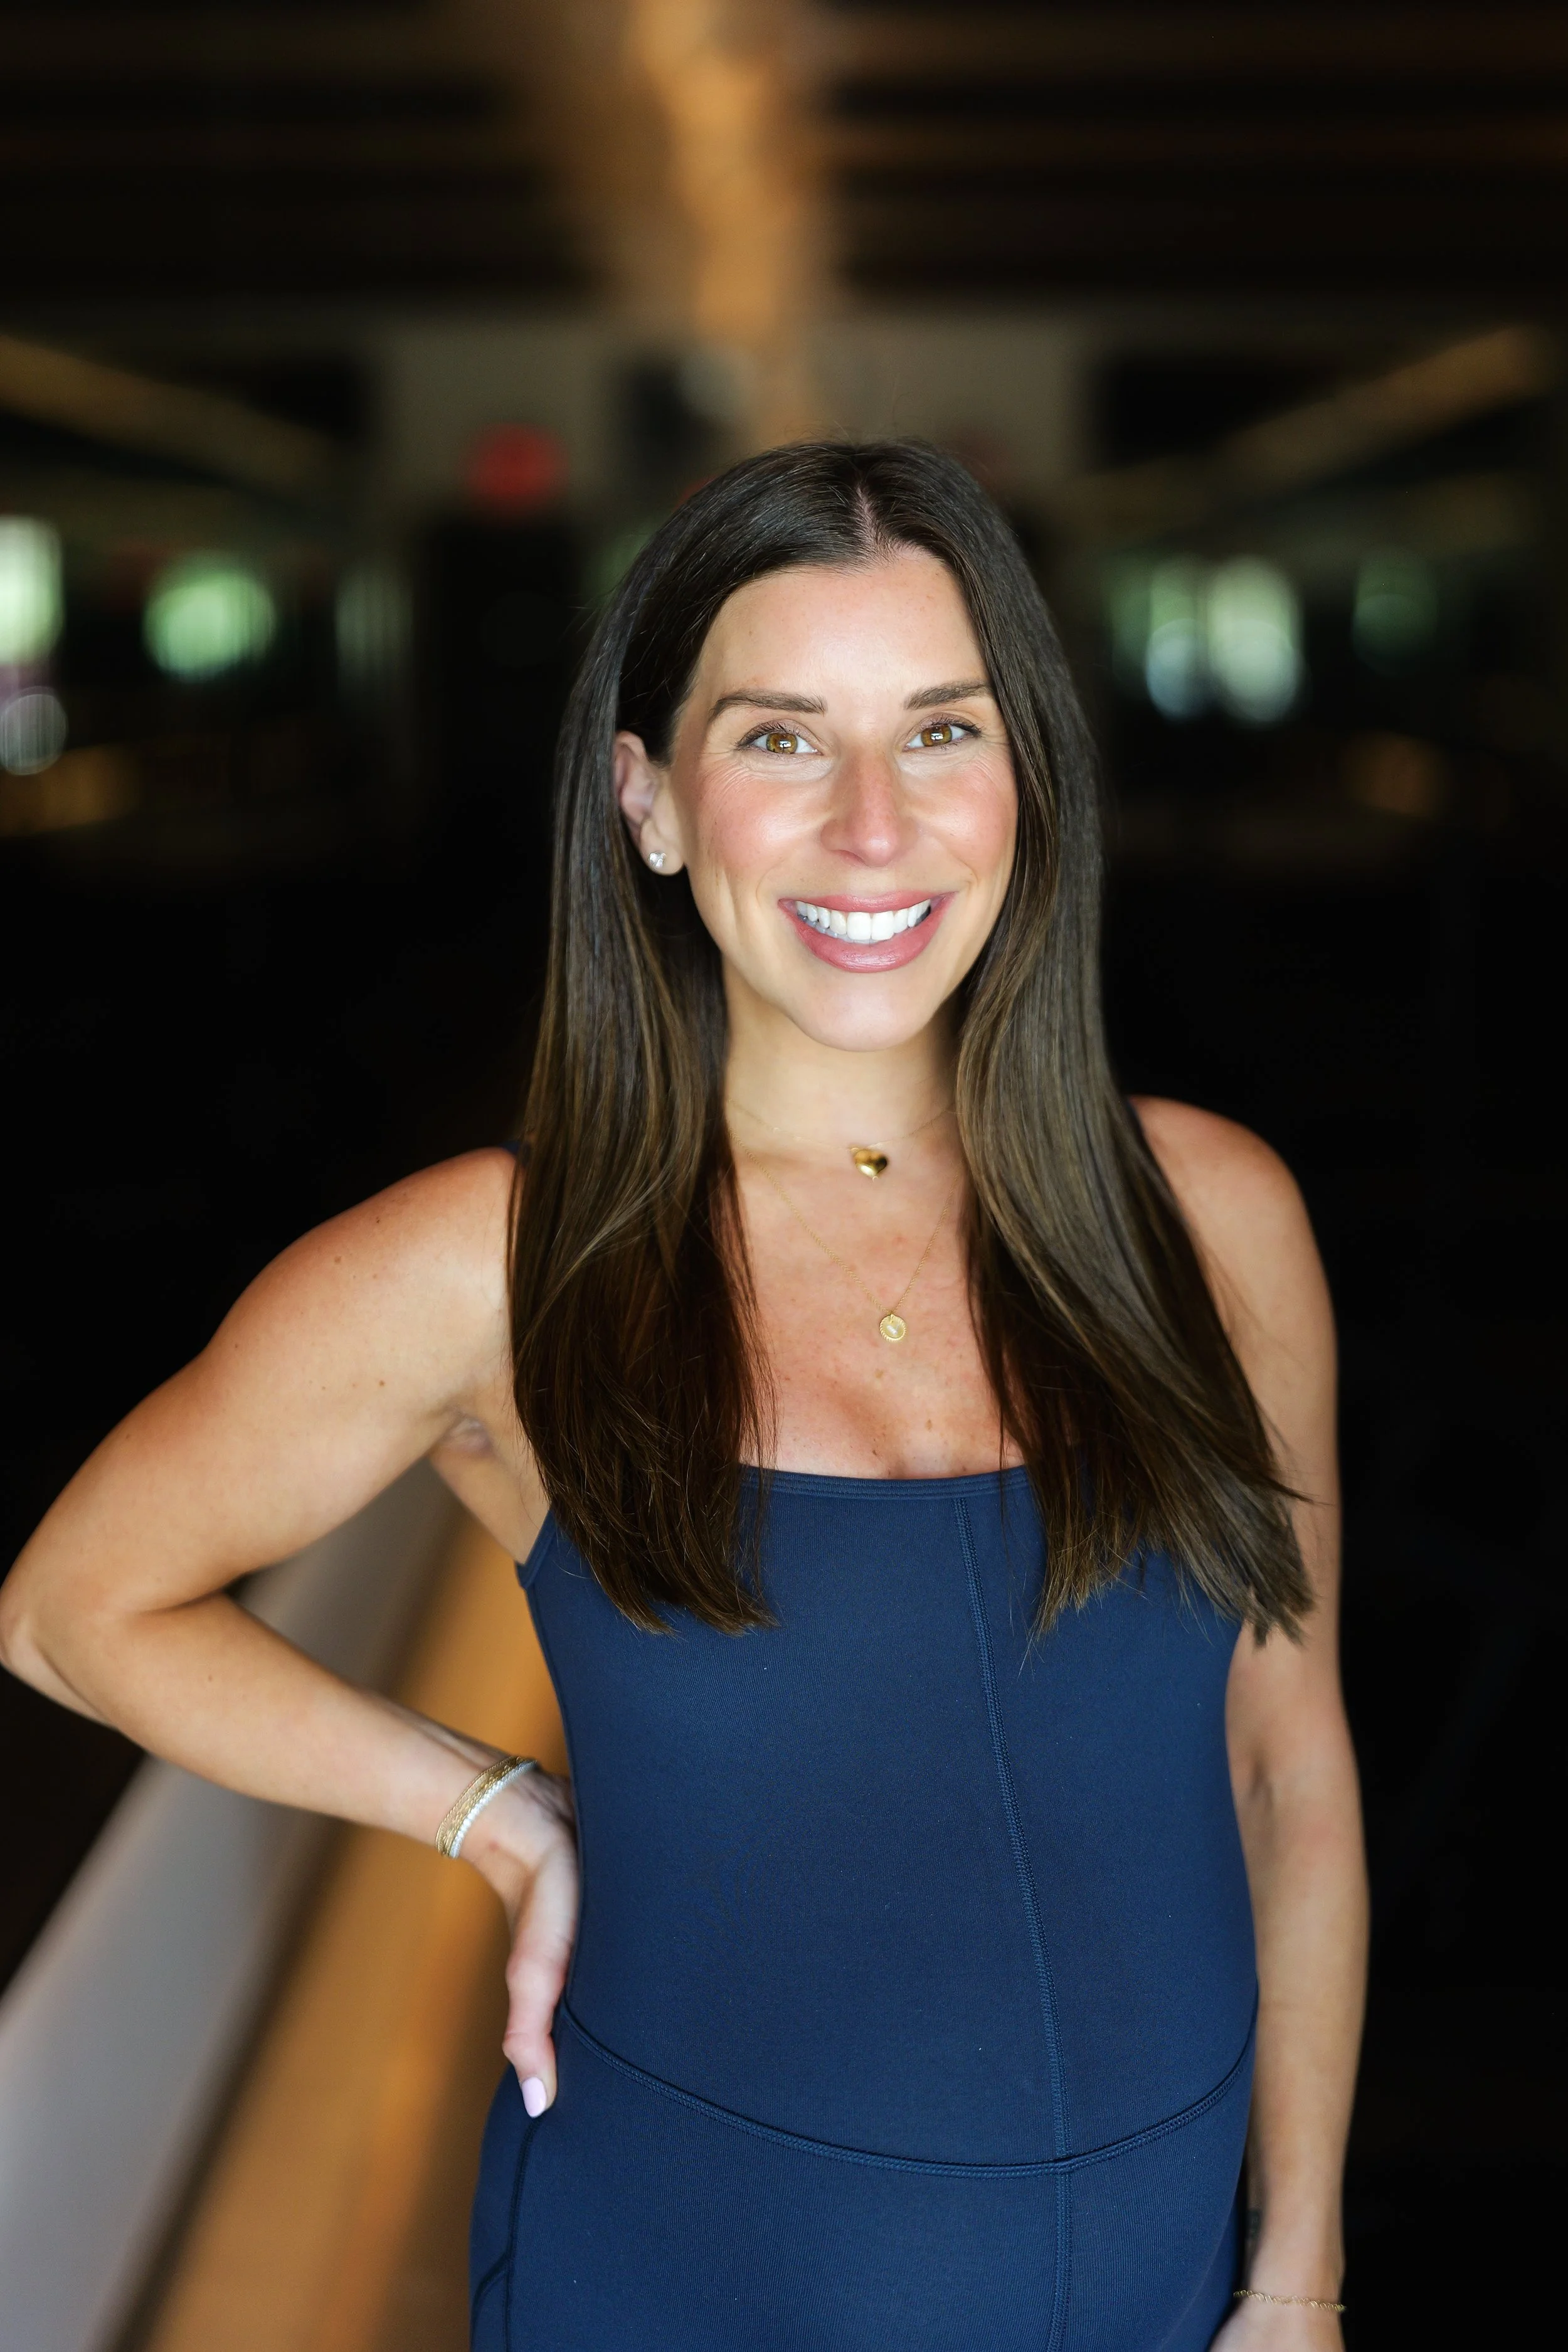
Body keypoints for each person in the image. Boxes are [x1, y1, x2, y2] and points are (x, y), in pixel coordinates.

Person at [1, 442, 1366, 2350]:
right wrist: (489, 1809)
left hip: (1174, 2284)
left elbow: (1289, 1764)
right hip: (690, 2275)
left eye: (943, 730)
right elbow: (75, 1604)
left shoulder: (1213, 1221)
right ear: (647, 799)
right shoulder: (499, 1261)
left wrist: (1295, 2266)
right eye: (783, 739)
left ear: (1028, 782)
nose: (874, 826)